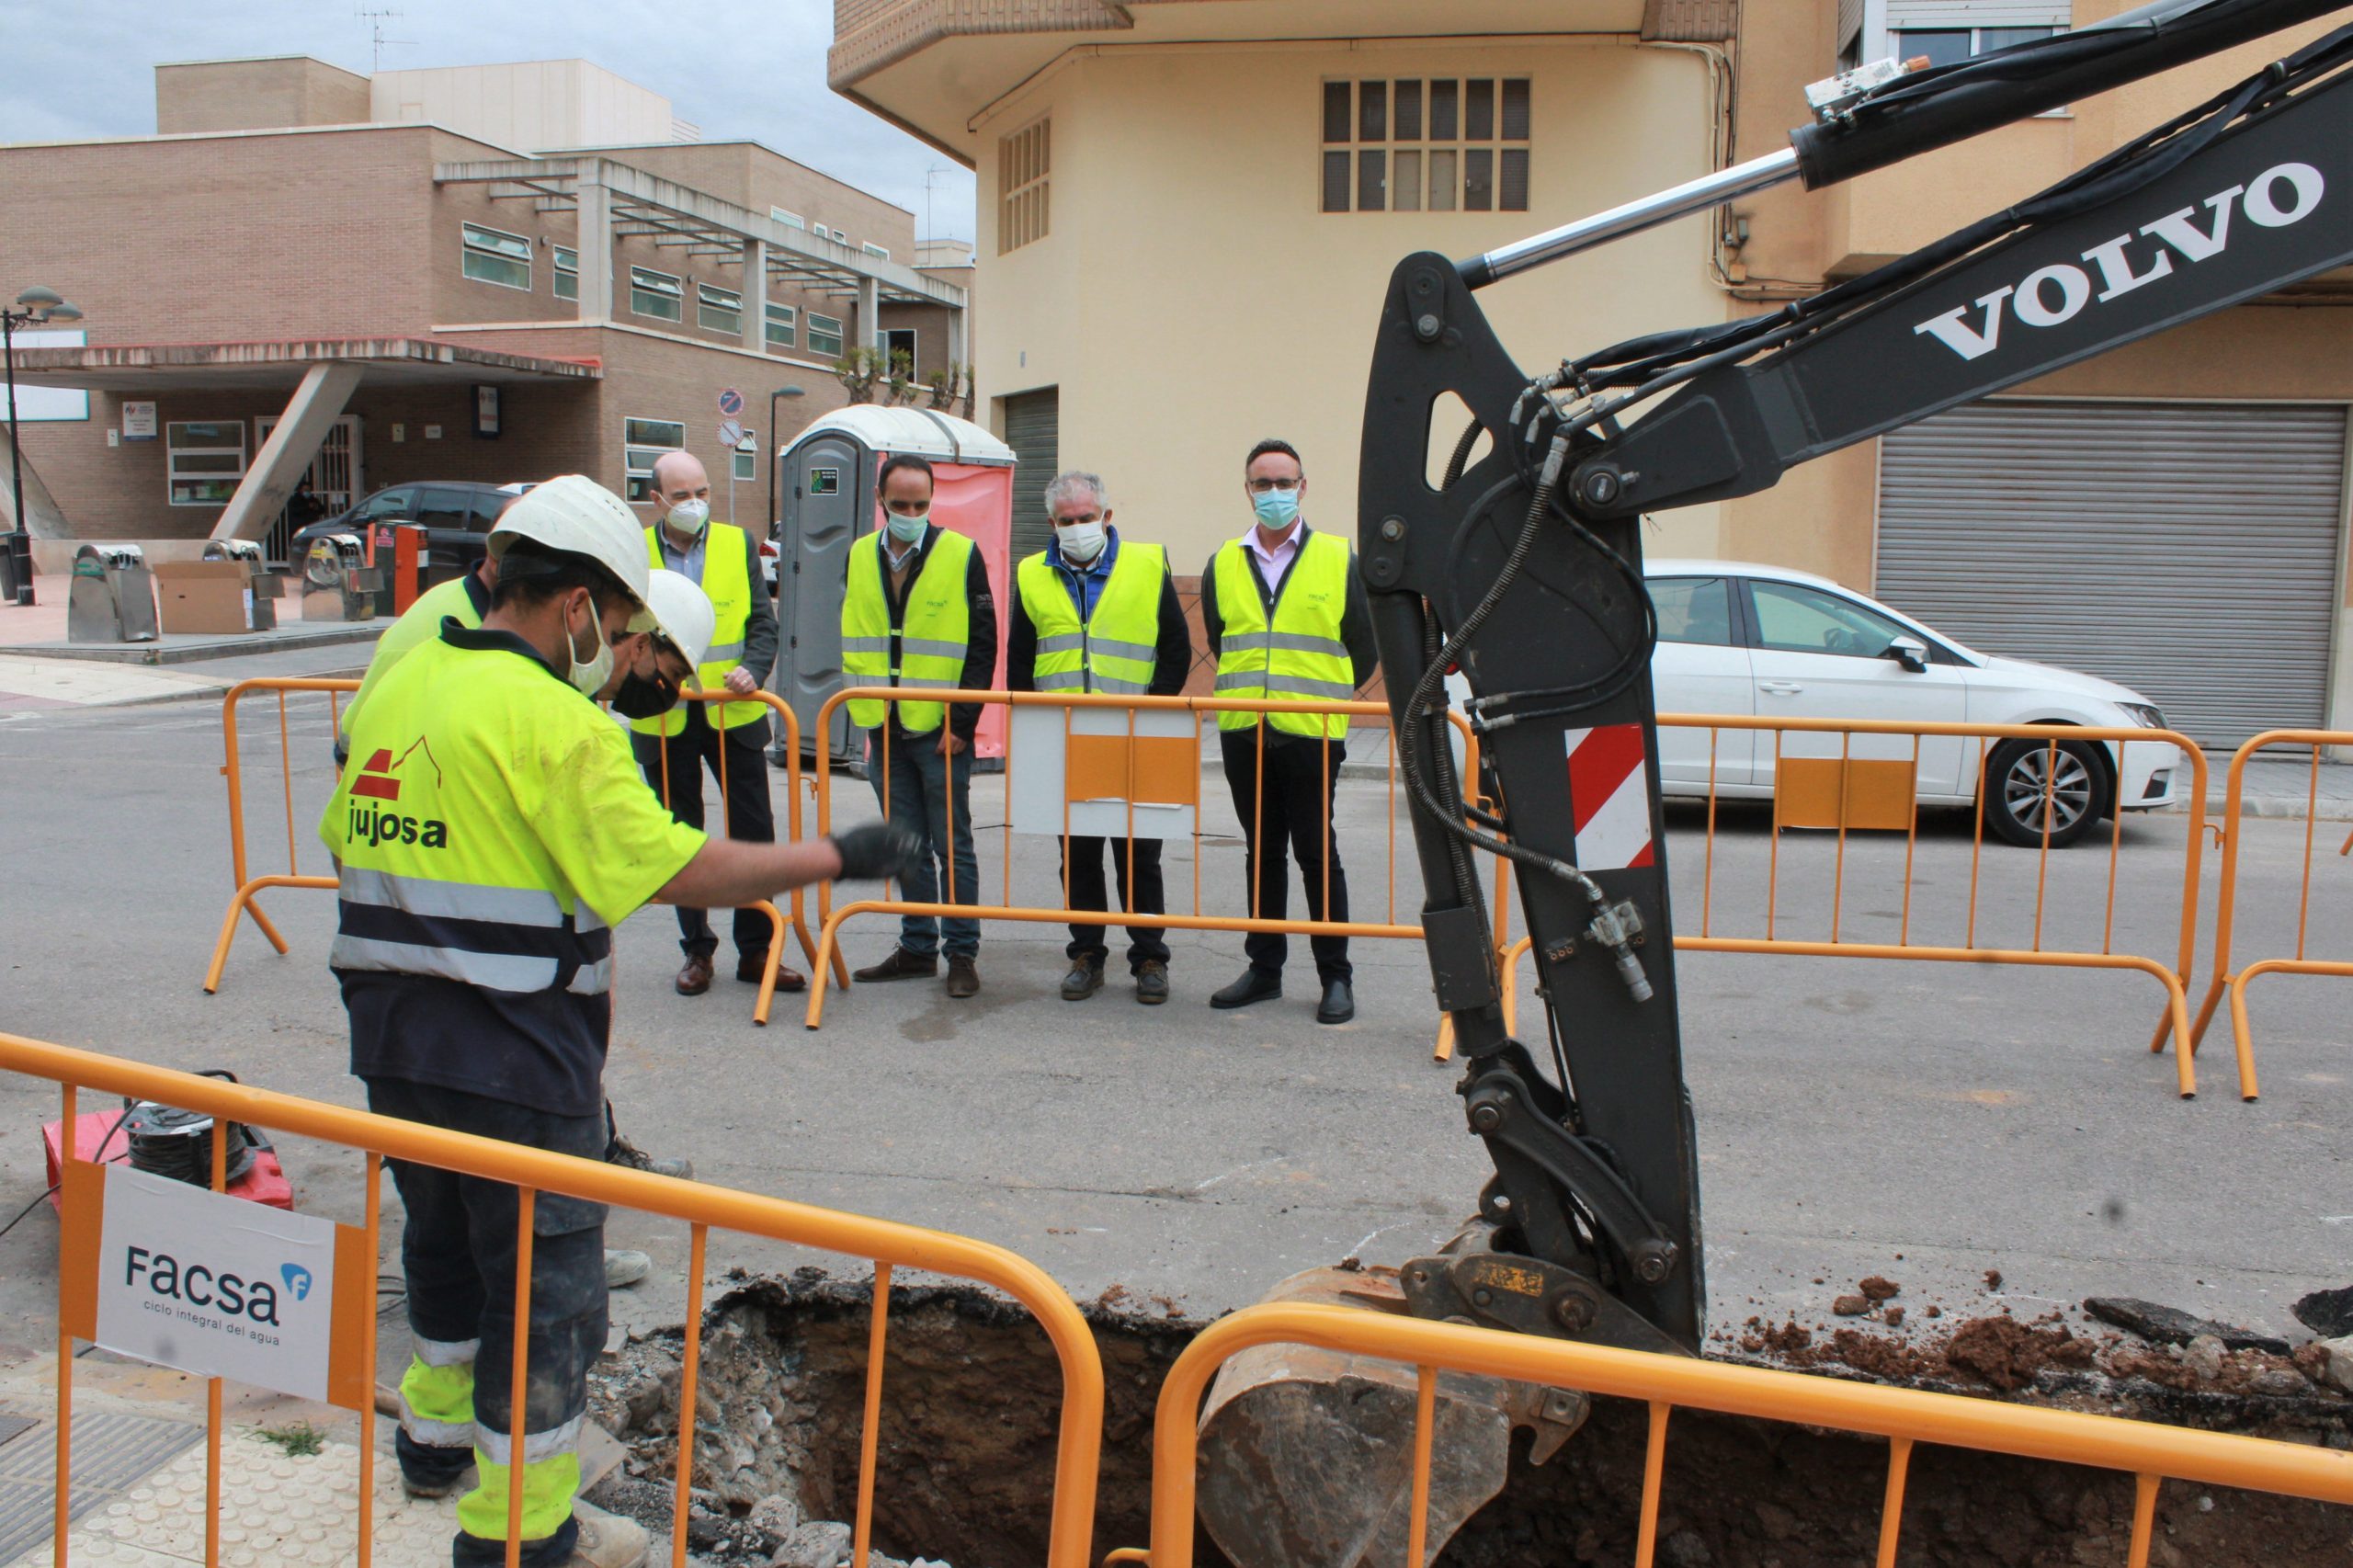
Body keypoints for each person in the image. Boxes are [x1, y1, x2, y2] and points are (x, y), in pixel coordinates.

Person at [324, 473, 919, 1568]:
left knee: (443, 1243)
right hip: (516, 1053)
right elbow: (681, 866)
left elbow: (352, 836)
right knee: (546, 1295)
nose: (626, 647)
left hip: (392, 1040)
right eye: (627, 623)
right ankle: (522, 1532)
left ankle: (432, 1442)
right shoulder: (559, 724)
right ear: (580, 605)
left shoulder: (399, 688)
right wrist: (836, 854)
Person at [1199, 438, 1379, 1025]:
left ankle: (1335, 976)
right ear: (1246, 489)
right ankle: (1264, 970)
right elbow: (1221, 634)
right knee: (1262, 854)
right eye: (1262, 483)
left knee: (1316, 853)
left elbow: (1363, 645)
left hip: (1311, 731)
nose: (1273, 492)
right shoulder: (1224, 561)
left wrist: (1324, 698)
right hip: (1244, 733)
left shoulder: (1337, 556)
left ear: (1303, 487)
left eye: (1283, 482)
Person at [1005, 470, 1192, 1004]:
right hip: (1064, 735)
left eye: (1086, 518)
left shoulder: (1146, 563)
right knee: (1080, 856)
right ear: (1052, 523)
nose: (1077, 527)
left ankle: (1150, 957)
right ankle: (1086, 954)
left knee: (1140, 856)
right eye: (1067, 520)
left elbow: (1175, 648)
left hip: (1136, 734)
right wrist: (1031, 727)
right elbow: (1021, 657)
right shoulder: (1032, 574)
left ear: (1107, 518)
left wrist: (1152, 712)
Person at [629, 450, 804, 998]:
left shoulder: (736, 542)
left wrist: (754, 670)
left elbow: (761, 622)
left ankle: (756, 950)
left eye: (702, 492)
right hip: (665, 713)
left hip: (735, 713)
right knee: (678, 836)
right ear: (657, 501)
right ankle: (696, 952)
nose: (694, 504)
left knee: (753, 832)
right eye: (681, 496)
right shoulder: (633, 551)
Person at [840, 453, 997, 998]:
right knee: (904, 843)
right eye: (900, 504)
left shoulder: (960, 554)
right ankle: (916, 947)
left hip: (939, 729)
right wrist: (867, 710)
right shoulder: (860, 555)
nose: (910, 513)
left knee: (952, 844)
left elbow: (982, 645)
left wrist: (964, 720)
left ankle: (961, 953)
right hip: (884, 724)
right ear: (881, 500)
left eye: (921, 504)